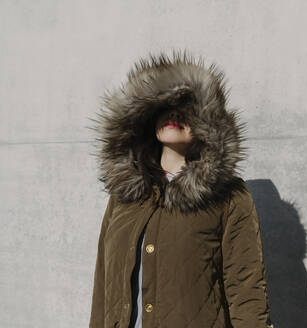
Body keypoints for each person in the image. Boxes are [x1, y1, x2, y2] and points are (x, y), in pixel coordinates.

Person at [88, 50, 274, 328]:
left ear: (208, 123)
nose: (174, 114)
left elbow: (246, 290)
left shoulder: (228, 196)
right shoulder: (124, 195)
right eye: (164, 106)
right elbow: (103, 287)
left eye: (187, 107)